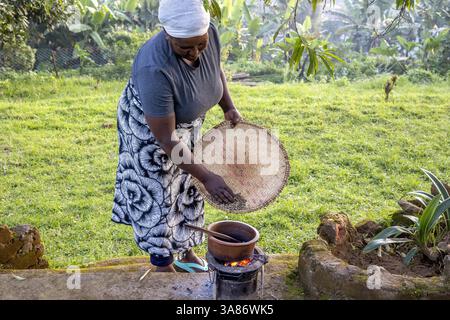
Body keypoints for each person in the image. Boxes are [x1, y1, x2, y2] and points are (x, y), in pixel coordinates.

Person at [111, 0, 242, 272]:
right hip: (150, 132)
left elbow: (214, 69)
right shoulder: (154, 68)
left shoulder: (209, 34)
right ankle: (162, 263)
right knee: (161, 192)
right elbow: (168, 141)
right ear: (167, 34)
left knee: (187, 186)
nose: (195, 52)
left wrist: (228, 106)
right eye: (185, 47)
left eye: (200, 44)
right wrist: (208, 176)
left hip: (188, 121)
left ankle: (185, 251)